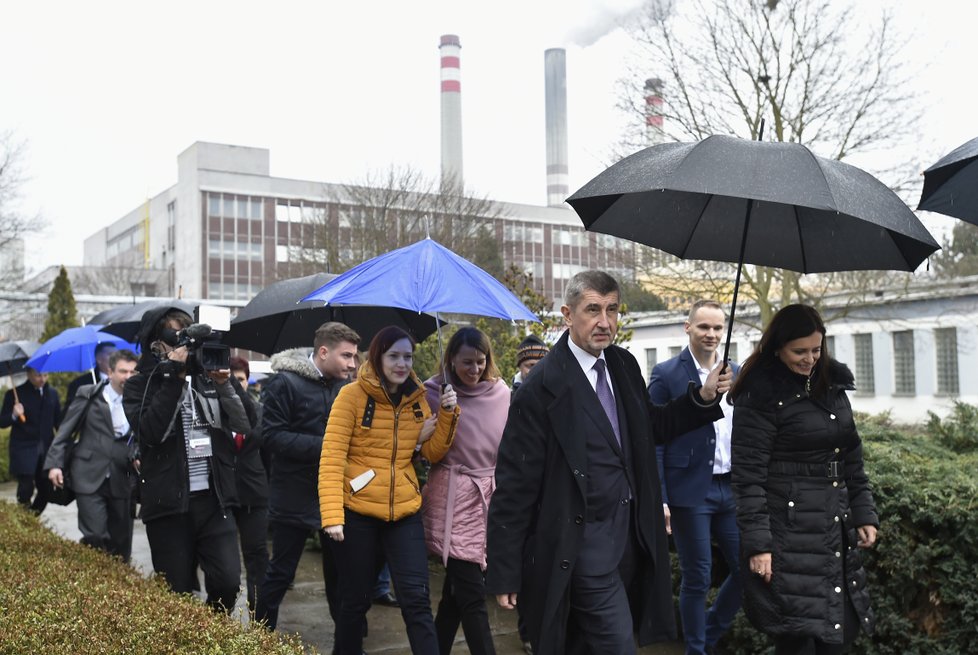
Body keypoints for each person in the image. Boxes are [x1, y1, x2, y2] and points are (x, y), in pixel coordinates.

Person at [486, 270, 731, 655]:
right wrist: (504, 571)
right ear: (568, 315)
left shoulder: (623, 365)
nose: (605, 322)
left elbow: (652, 427)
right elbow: (515, 486)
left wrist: (701, 396)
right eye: (593, 310)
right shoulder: (539, 389)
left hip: (633, 542)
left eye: (613, 310)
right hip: (580, 550)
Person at [728, 304, 878, 655]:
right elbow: (748, 478)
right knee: (797, 638)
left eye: (816, 349)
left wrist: (864, 512)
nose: (810, 358)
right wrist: (759, 544)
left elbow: (851, 457)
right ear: (777, 347)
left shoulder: (834, 384)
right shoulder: (759, 393)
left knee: (838, 635)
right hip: (786, 535)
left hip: (833, 529)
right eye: (799, 351)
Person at [320, 325, 460, 655]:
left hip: (405, 513)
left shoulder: (417, 398)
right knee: (354, 602)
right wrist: (332, 517)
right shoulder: (351, 396)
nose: (402, 364)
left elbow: (431, 453)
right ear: (378, 356)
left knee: (417, 600)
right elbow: (331, 457)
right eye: (394, 356)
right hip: (357, 513)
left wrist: (448, 416)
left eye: (408, 357)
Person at [122, 306, 253, 612]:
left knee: (228, 581)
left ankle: (210, 627)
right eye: (175, 336)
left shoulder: (209, 374)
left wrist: (224, 382)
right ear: (156, 343)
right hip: (168, 505)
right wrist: (173, 377)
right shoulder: (139, 385)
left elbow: (247, 422)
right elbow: (151, 433)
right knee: (176, 592)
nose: (184, 345)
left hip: (214, 499)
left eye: (187, 336)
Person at [648, 300, 742, 655]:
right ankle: (696, 650)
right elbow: (655, 438)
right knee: (698, 576)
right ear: (687, 328)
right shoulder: (667, 373)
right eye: (704, 327)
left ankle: (707, 636)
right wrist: (661, 496)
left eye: (718, 328)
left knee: (748, 570)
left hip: (730, 488)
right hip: (690, 492)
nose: (712, 334)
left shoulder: (735, 373)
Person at [255, 322, 360, 630]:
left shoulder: (345, 388)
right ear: (323, 352)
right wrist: (326, 447)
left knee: (341, 576)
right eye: (347, 356)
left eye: (355, 357)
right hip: (294, 494)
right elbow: (270, 436)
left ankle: (347, 647)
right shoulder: (285, 383)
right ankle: (259, 640)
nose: (353, 364)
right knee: (281, 574)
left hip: (335, 495)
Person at [422, 327, 509, 655]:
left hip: (487, 496)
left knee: (456, 595)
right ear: (451, 360)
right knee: (472, 594)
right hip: (451, 496)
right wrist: (445, 412)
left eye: (480, 362)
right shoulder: (432, 392)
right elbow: (428, 451)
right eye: (466, 362)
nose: (474, 369)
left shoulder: (502, 393)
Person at [45, 349, 139, 561]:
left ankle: (120, 588)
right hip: (88, 474)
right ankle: (95, 580)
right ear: (110, 371)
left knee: (121, 544)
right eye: (123, 371)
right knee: (95, 535)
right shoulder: (89, 394)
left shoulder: (140, 401)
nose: (128, 377)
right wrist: (54, 464)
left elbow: (142, 437)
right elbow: (65, 431)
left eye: (133, 372)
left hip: (122, 475)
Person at [228, 356, 269, 616]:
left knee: (256, 555)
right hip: (223, 496)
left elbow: (269, 455)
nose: (235, 384)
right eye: (229, 378)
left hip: (255, 493)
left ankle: (261, 615)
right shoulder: (212, 412)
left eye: (240, 379)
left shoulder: (261, 412)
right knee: (227, 560)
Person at [1, 366, 61, 514]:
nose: (42, 379)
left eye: (46, 375)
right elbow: (2, 422)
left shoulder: (52, 394)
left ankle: (31, 518)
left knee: (47, 489)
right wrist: (14, 414)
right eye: (38, 375)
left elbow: (59, 423)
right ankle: (24, 516)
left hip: (46, 449)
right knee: (25, 488)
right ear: (28, 374)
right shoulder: (15, 394)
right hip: (24, 449)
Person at [63, 342, 116, 418]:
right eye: (110, 355)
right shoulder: (80, 384)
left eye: (117, 356)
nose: (115, 360)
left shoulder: (124, 382)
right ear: (99, 359)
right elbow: (69, 415)